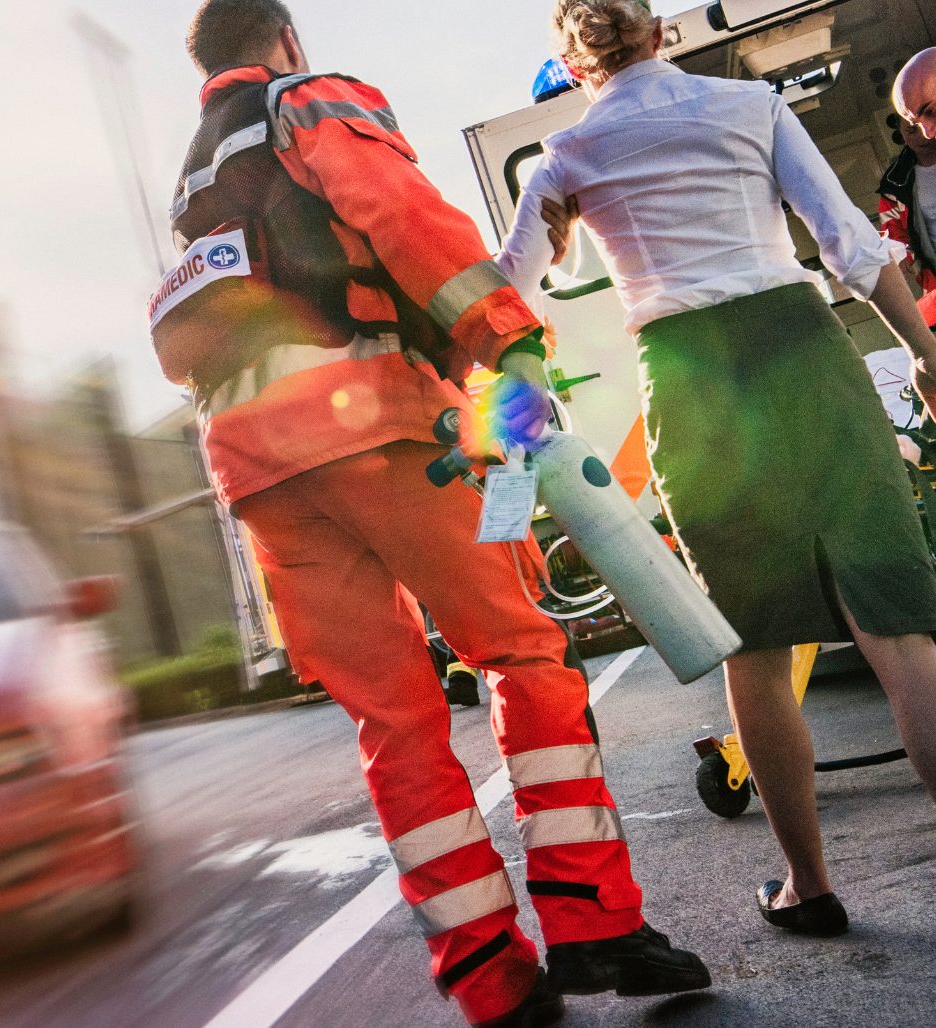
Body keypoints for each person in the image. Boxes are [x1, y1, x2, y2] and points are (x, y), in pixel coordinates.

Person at [161, 3, 709, 1025]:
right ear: (285, 39)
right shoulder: (308, 101)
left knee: (392, 724)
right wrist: (513, 345)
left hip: (256, 475)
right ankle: (592, 925)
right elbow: (403, 219)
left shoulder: (193, 181)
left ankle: (490, 979)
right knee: (521, 653)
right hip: (373, 426)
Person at [499, 0, 936, 939]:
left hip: (688, 377)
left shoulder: (566, 158)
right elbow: (848, 244)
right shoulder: (751, 108)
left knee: (754, 649)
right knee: (899, 630)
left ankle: (808, 887)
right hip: (801, 347)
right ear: (660, 32)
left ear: (573, 67)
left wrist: (517, 435)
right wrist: (926, 354)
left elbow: (506, 301)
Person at [880, 49, 936, 329]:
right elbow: (896, 245)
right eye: (913, 126)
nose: (927, 133)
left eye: (931, 112)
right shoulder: (894, 186)